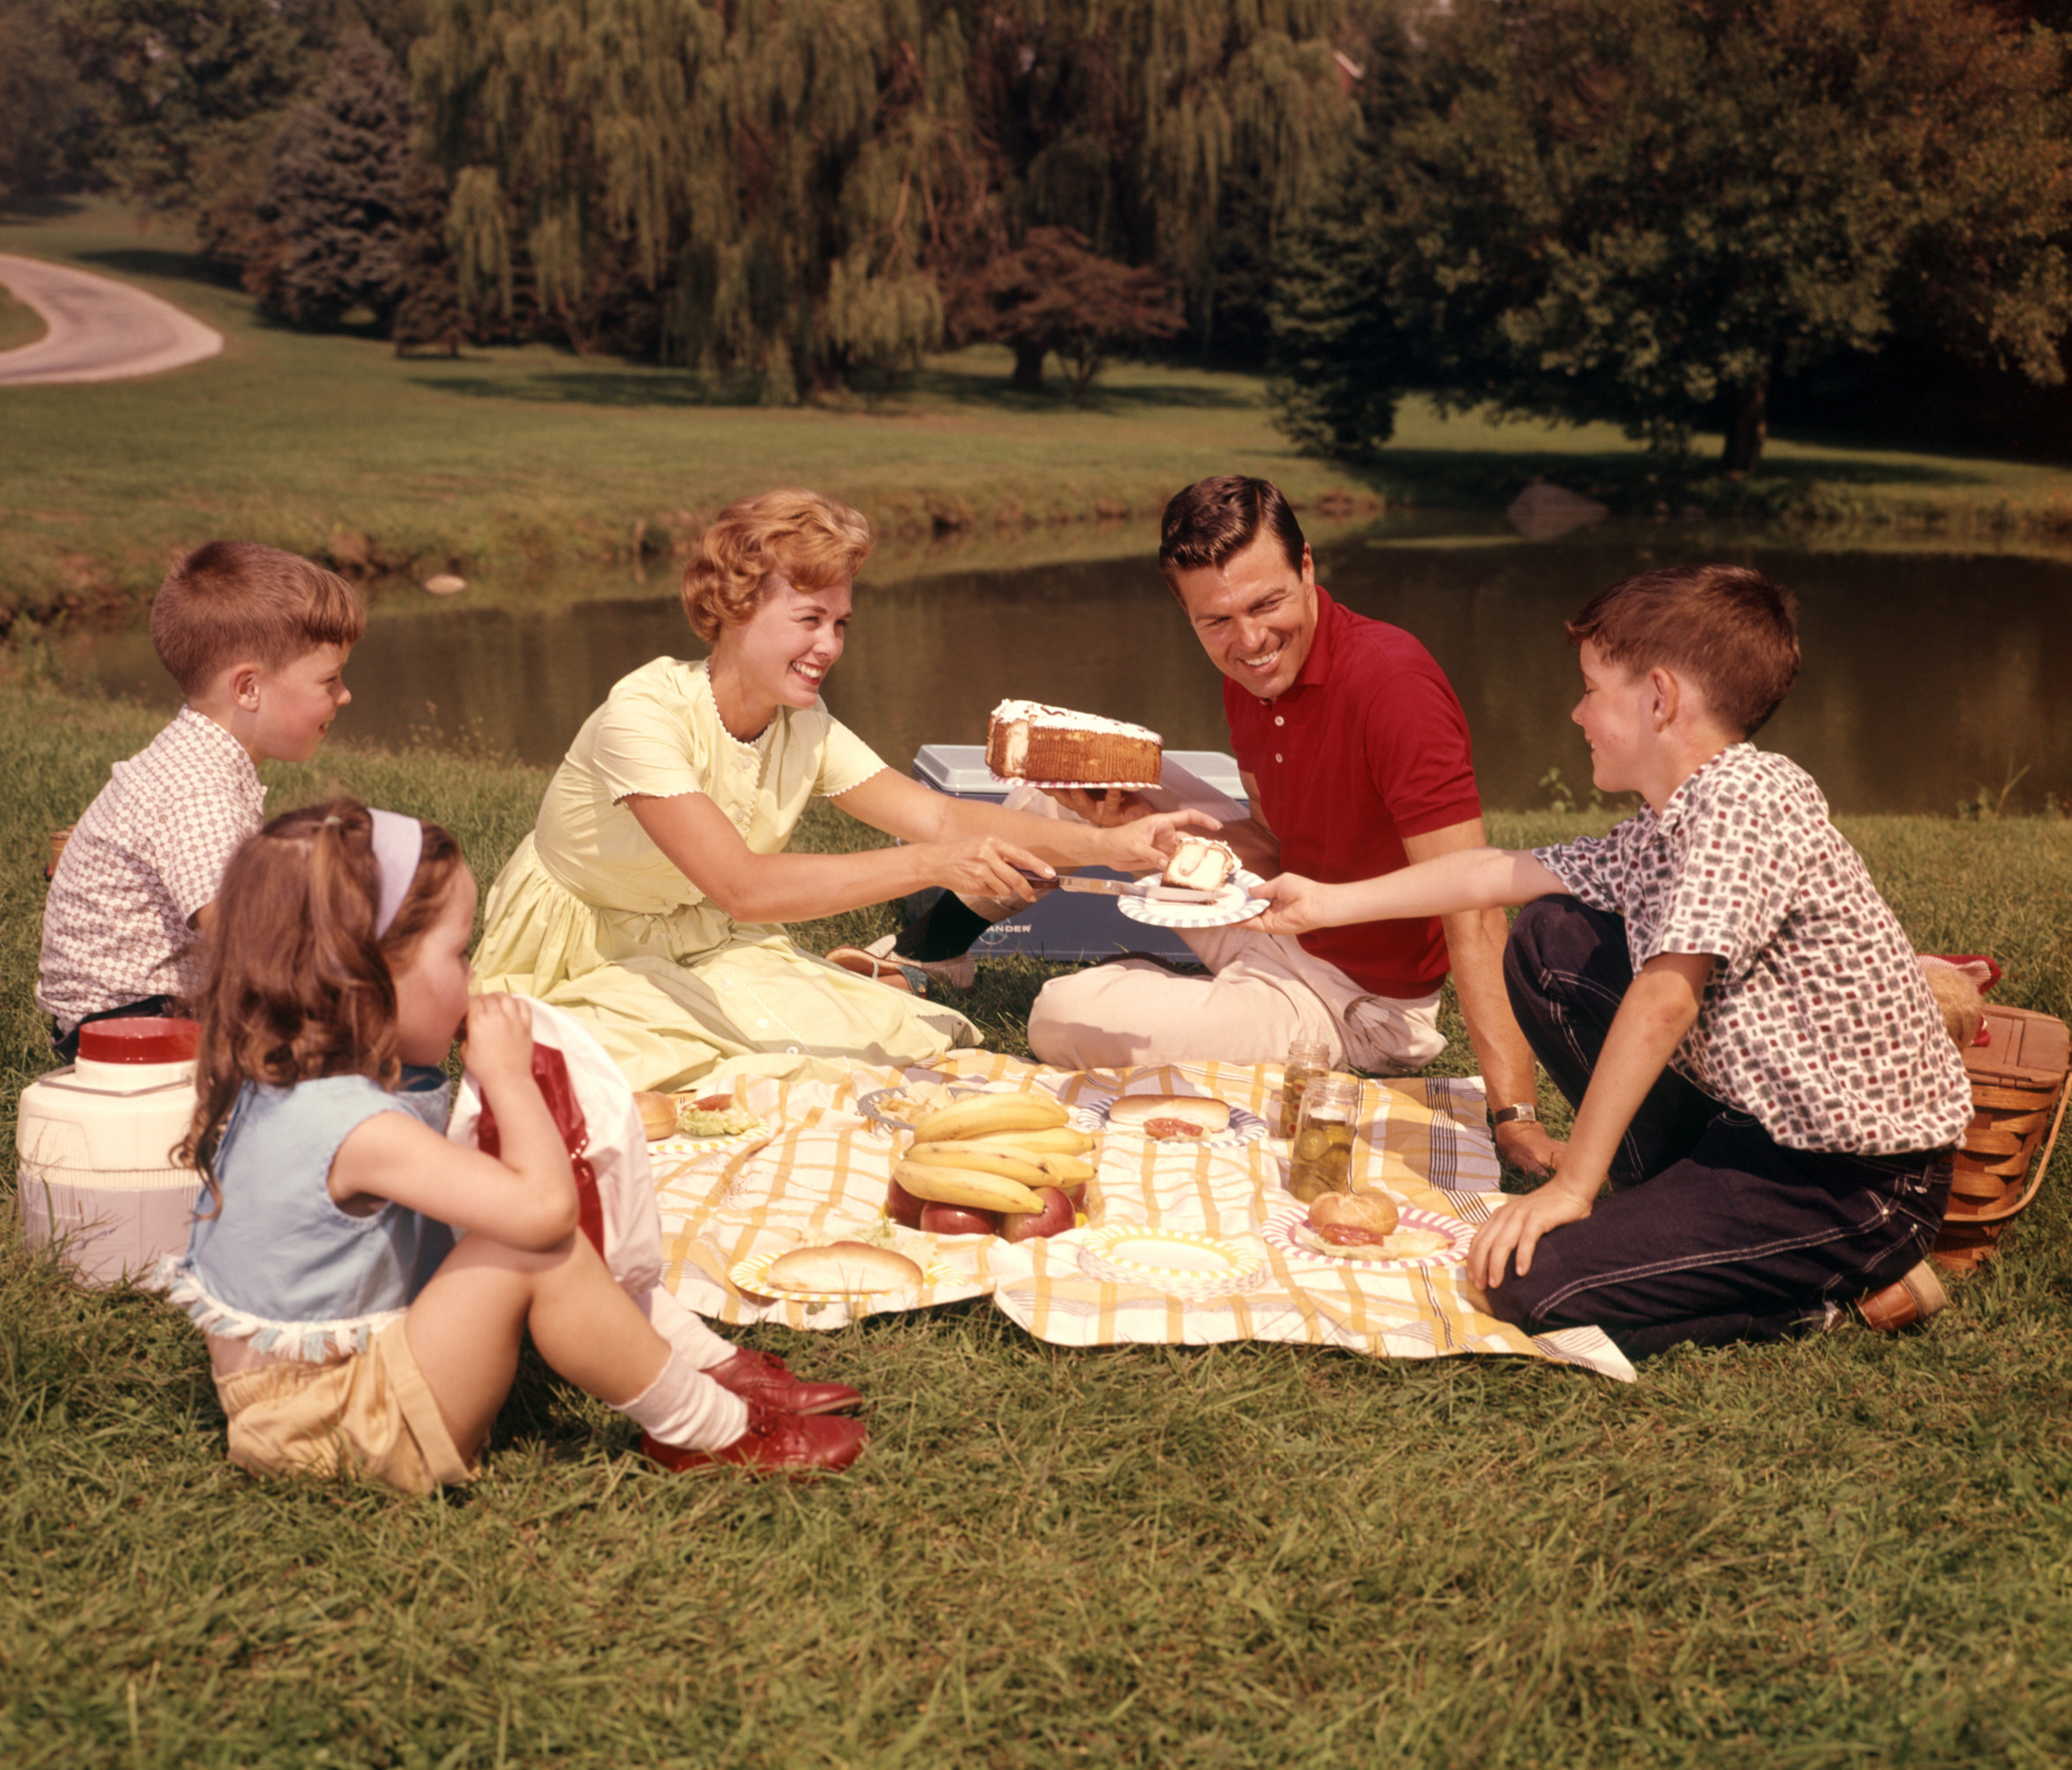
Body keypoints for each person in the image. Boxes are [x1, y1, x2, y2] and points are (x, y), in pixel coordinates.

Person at [1250, 565, 1970, 1360]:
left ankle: (1824, 1296)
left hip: (1851, 1184)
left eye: (1592, 689)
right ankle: (1663, 1211)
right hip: (1750, 1131)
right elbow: (1494, 873)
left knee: (1524, 1284)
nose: (1576, 711)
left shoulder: (1747, 800)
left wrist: (1570, 1186)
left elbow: (1666, 999)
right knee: (1550, 939)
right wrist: (1323, 902)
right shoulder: (1669, 819)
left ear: (1659, 699)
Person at [161, 798, 866, 1492]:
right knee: (533, 1242)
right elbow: (543, 1213)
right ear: (365, 975)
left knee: (529, 1208)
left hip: (329, 1396)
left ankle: (702, 1362)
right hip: (333, 1430)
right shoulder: (352, 1124)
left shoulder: (313, 1069)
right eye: (459, 952)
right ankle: (708, 1428)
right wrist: (505, 1076)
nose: (473, 979)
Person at [471, 488, 1209, 1094]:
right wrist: (931, 865)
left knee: (890, 1044)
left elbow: (940, 812)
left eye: (840, 623)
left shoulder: (804, 723)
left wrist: (1110, 845)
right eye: (809, 619)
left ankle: (879, 972)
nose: (829, 645)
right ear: (734, 609)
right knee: (638, 1073)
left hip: (701, 940)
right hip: (583, 948)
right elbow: (743, 888)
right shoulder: (643, 713)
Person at [1000, 476, 1554, 1174]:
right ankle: (937, 951)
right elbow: (1270, 844)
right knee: (1062, 776)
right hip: (1274, 909)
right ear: (1189, 613)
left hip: (1352, 1002)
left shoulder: (1394, 687)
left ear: (1308, 568)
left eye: (1267, 604)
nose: (1251, 639)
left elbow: (1472, 908)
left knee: (1059, 1014)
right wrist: (1139, 829)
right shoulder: (1250, 673)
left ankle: (1173, 998)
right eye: (1217, 621)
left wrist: (1515, 1116)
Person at [37, 541, 363, 1064]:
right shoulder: (197, 791)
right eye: (329, 680)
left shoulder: (203, 759)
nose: (344, 695)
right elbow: (245, 933)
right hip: (128, 1026)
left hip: (137, 1012)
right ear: (249, 688)